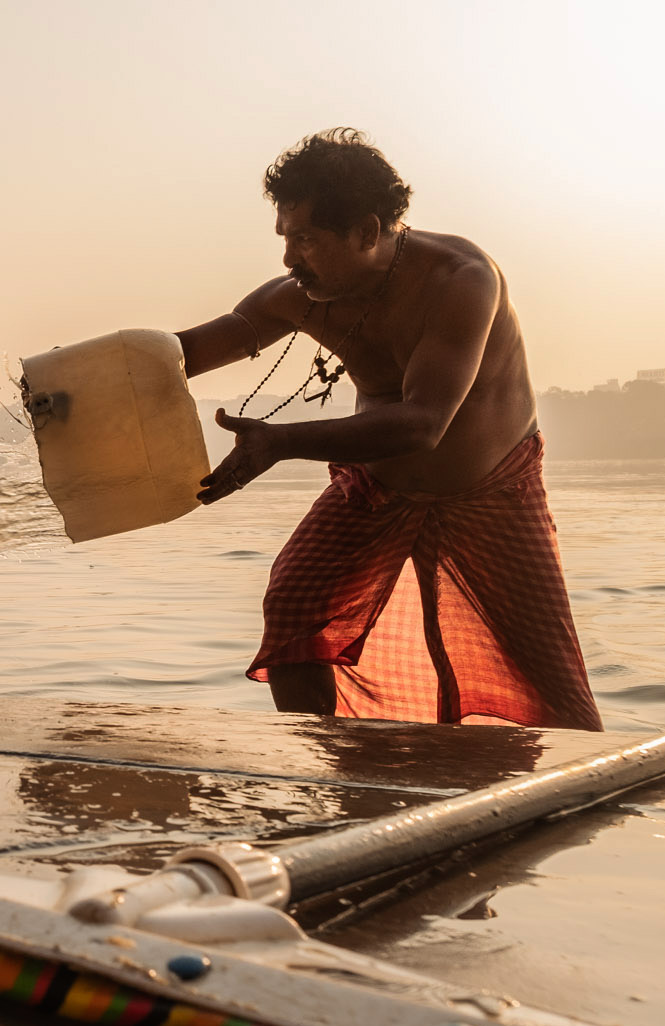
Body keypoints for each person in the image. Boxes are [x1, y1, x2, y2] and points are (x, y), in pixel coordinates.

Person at [175, 129, 602, 731]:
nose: (289, 258)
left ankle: (580, 790)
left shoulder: (461, 280)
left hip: (492, 494)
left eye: (306, 239)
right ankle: (329, 763)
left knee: (552, 682)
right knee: (295, 607)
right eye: (285, 238)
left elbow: (423, 424)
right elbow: (183, 354)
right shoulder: (301, 295)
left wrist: (280, 442)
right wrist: (80, 377)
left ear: (368, 232)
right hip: (376, 490)